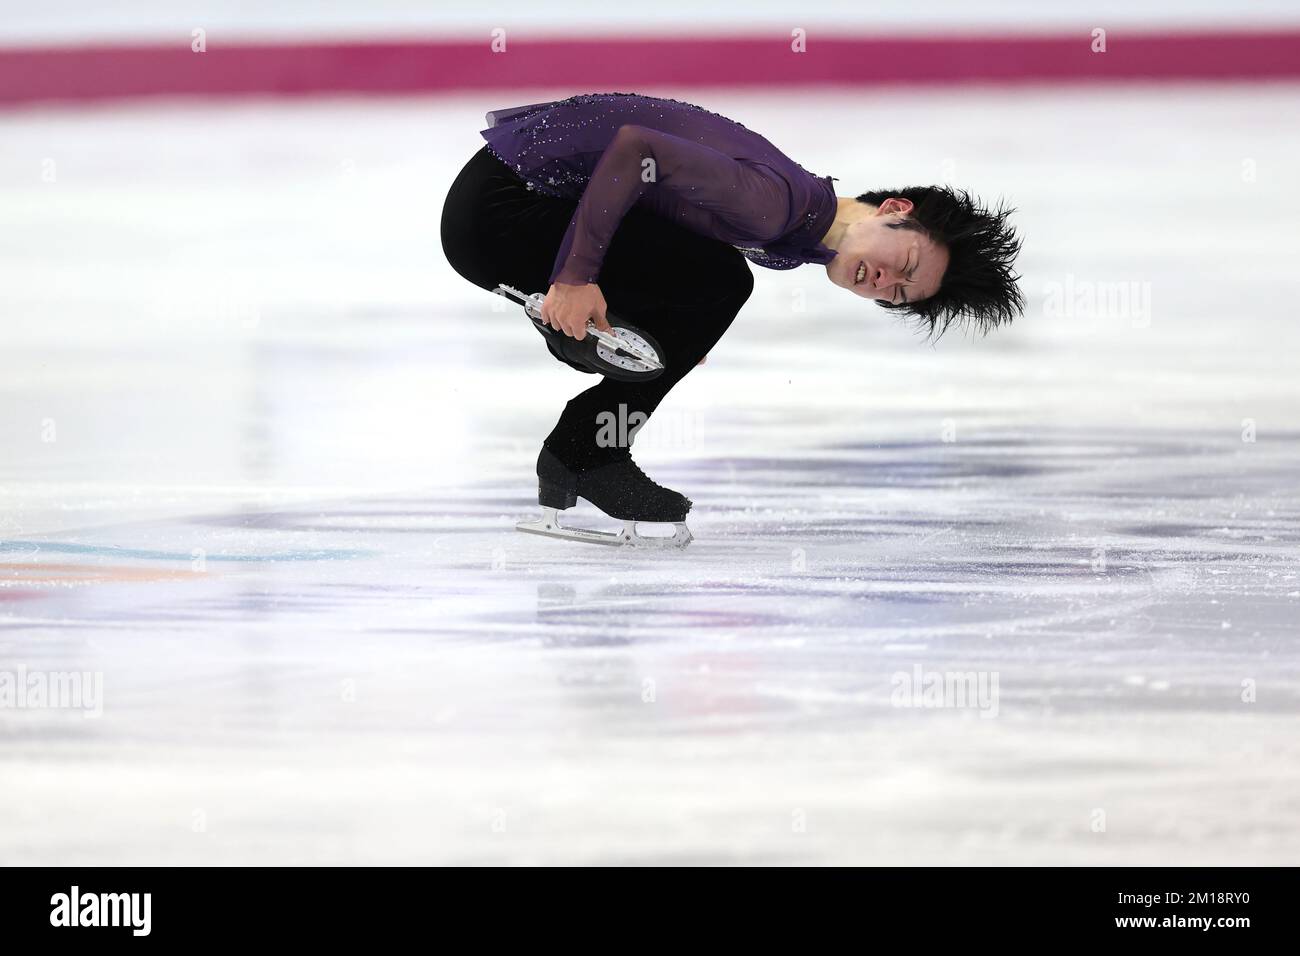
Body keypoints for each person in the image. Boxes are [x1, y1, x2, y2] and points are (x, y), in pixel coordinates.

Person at [440, 92, 1024, 546]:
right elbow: (638, 150)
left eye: (899, 295)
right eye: (906, 263)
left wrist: (680, 328)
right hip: (499, 214)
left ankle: (586, 438)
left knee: (708, 296)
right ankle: (585, 444)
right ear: (896, 209)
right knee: (722, 282)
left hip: (513, 205)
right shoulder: (777, 205)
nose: (885, 284)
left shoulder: (801, 229)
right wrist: (574, 278)